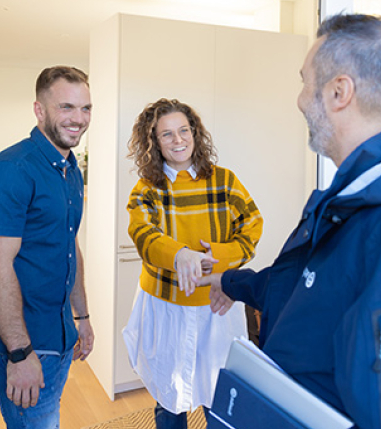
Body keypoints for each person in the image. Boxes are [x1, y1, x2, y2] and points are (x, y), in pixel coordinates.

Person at [197, 14, 381, 428]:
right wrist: (229, 281)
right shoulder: (350, 197)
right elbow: (300, 289)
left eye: (304, 81)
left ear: (338, 91)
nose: (299, 98)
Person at [122, 98, 263, 429]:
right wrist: (179, 255)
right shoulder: (147, 188)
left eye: (184, 130)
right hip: (165, 305)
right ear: (153, 142)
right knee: (168, 397)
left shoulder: (224, 180)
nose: (178, 140)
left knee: (221, 395)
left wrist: (218, 256)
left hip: (218, 303)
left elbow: (252, 226)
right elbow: (142, 233)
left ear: (195, 133)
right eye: (167, 134)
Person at [0, 65, 95, 429]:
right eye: (66, 107)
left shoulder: (69, 168)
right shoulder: (12, 169)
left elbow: (67, 244)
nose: (79, 119)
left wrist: (82, 317)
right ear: (39, 110)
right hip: (25, 342)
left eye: (86, 108)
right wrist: (19, 352)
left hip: (58, 331)